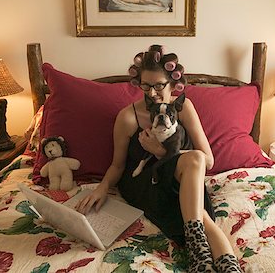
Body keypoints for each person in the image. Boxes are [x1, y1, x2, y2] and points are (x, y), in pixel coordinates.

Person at [76, 45, 241, 272]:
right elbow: (117, 165)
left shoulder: (183, 107)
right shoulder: (128, 117)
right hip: (146, 183)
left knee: (195, 160)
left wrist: (161, 151)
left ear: (173, 84)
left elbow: (208, 161)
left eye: (159, 85)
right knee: (200, 213)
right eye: (146, 86)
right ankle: (206, 254)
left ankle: (211, 260)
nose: (152, 93)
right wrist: (102, 187)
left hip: (182, 176)